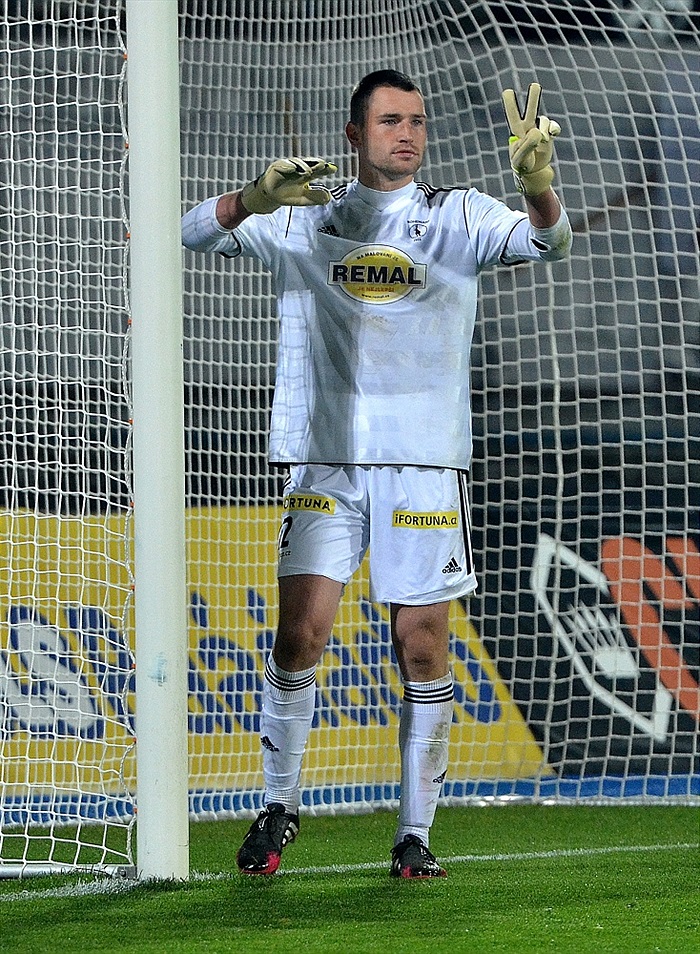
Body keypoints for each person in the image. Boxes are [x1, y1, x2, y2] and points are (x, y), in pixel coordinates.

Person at [182, 69, 572, 879]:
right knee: (301, 634)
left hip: (424, 465)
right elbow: (191, 233)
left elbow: (549, 243)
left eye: (418, 122)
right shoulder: (306, 217)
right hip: (326, 459)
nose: (408, 134)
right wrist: (256, 196)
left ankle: (414, 833)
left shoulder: (457, 214)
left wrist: (538, 185)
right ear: (355, 134)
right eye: (392, 121)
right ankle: (278, 807)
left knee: (419, 645)